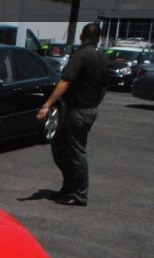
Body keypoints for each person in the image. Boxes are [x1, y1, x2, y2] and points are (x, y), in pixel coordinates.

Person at [38, 23, 108, 206]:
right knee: (60, 147)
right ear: (99, 38)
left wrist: (47, 104)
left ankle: (79, 194)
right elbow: (104, 86)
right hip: (87, 109)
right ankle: (69, 187)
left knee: (76, 152)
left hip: (78, 111)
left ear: (82, 36)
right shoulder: (102, 57)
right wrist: (95, 103)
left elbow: (65, 81)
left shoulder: (81, 55)